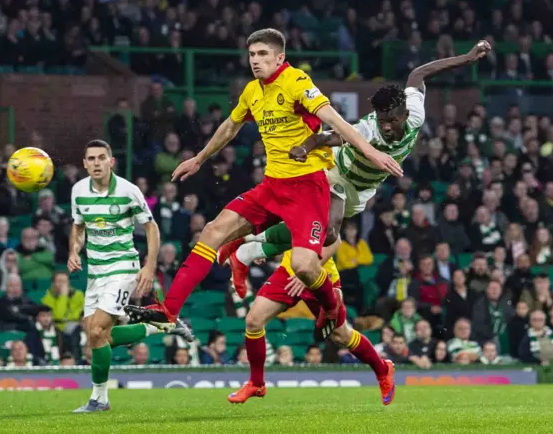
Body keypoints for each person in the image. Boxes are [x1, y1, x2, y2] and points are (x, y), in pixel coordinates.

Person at [125, 28, 403, 341]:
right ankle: (168, 313)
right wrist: (200, 158)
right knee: (212, 231)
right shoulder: (252, 91)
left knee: (303, 265)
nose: (255, 61)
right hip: (272, 187)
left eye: (262, 55)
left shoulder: (297, 82)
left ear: (279, 57)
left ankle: (331, 306)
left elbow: (335, 121)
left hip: (308, 189)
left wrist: (371, 151)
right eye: (252, 55)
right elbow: (230, 126)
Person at [221, 39, 492, 295]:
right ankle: (247, 240)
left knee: (323, 236)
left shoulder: (416, 113)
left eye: (391, 121)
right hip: (336, 172)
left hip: (361, 190)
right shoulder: (369, 129)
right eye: (382, 120)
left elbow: (419, 73)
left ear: (404, 114)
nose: (385, 126)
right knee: (329, 231)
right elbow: (327, 136)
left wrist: (466, 59)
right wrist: (305, 147)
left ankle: (248, 249)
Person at [69, 140, 192, 413]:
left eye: (102, 157)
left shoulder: (128, 191)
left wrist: (148, 267)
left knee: (98, 330)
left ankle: (99, 399)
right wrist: (73, 251)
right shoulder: (78, 191)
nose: (97, 163)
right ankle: (158, 325)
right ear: (85, 163)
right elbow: (78, 227)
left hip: (123, 267)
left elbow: (151, 228)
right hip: (95, 271)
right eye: (91, 158)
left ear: (111, 161)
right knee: (97, 337)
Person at [227, 239, 395, 406]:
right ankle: (257, 383)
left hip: (319, 275)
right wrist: (264, 249)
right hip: (288, 273)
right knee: (253, 321)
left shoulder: (327, 211)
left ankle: (382, 370)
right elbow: (284, 231)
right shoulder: (288, 210)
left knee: (341, 335)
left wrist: (306, 270)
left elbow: (335, 242)